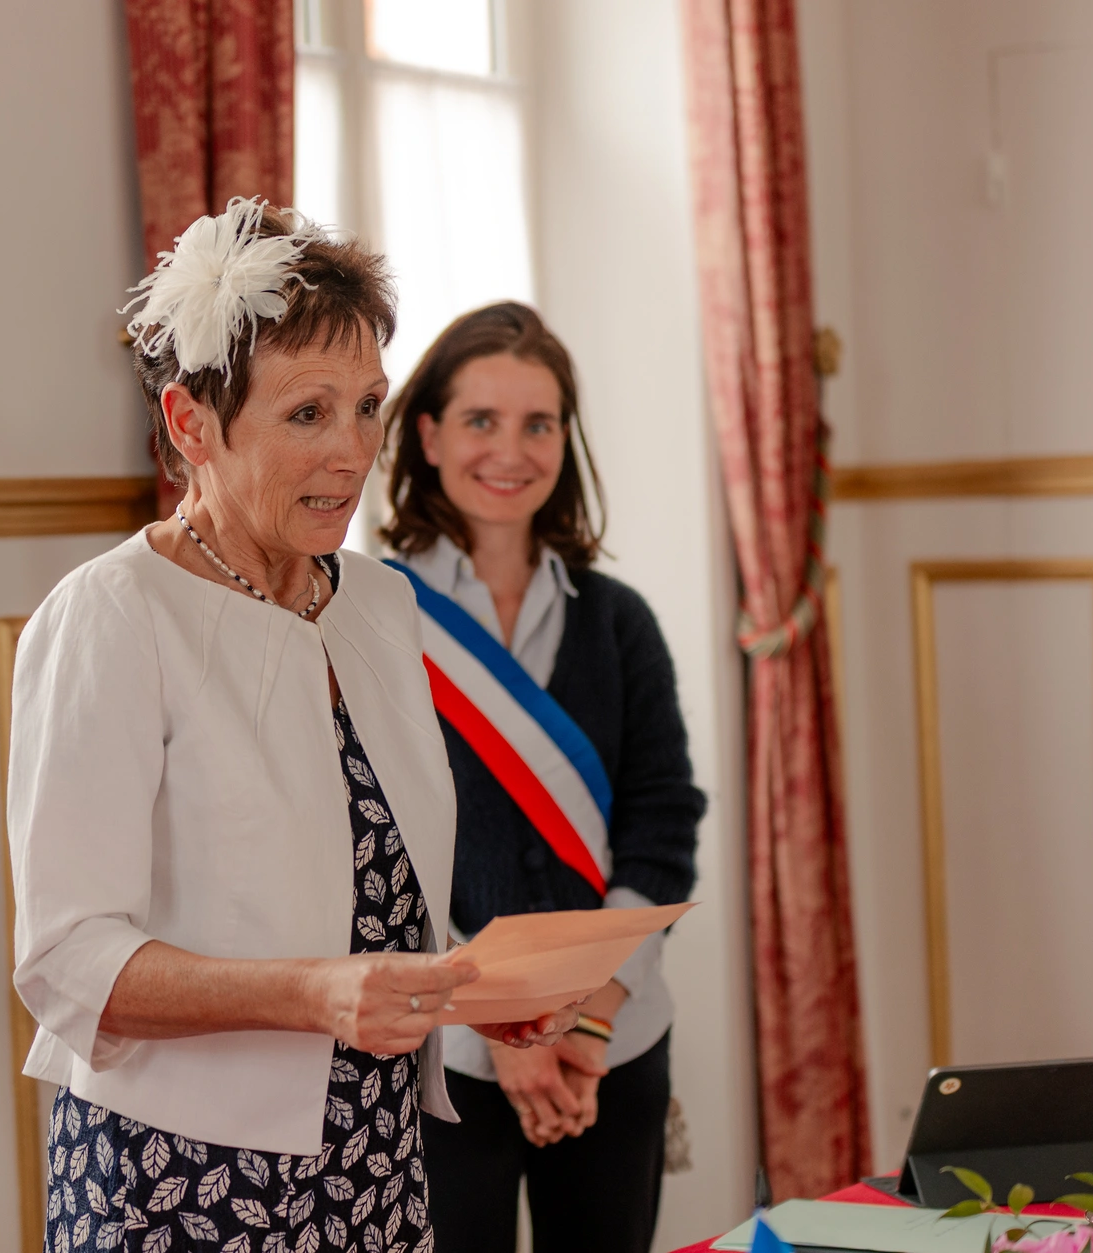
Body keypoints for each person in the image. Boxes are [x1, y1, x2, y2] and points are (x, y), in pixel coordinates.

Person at [7, 204, 578, 1253]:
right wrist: (315, 993)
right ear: (189, 424)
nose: (353, 451)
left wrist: (473, 997)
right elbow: (67, 960)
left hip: (373, 1154)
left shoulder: (376, 602)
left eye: (367, 406)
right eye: (307, 413)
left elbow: (368, 894)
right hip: (176, 1171)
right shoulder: (110, 615)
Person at [382, 302, 708, 1253]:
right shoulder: (371, 618)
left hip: (611, 1045)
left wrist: (589, 1022)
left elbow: (664, 825)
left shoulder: (619, 622)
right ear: (431, 434)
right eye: (481, 420)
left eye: (538, 423)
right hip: (446, 1060)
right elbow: (379, 855)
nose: (510, 450)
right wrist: (503, 1033)